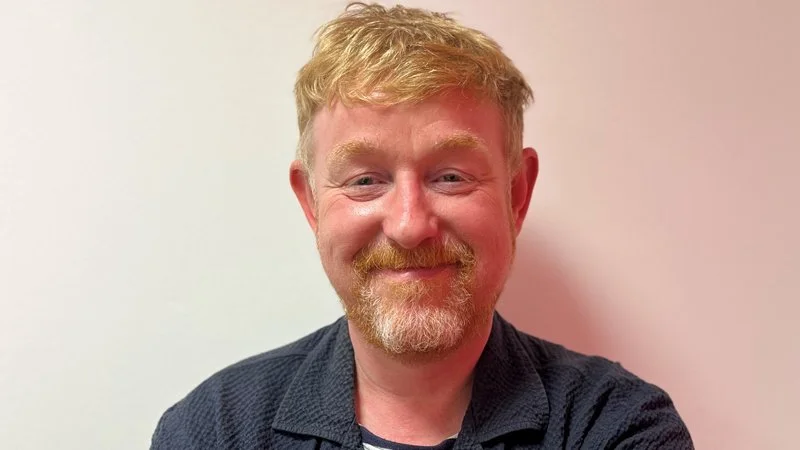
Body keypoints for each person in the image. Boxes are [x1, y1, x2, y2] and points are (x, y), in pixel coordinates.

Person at [151, 3, 693, 449]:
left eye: (451, 176)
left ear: (516, 194)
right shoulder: (213, 431)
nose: (410, 227)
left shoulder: (617, 426)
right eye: (365, 181)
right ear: (312, 204)